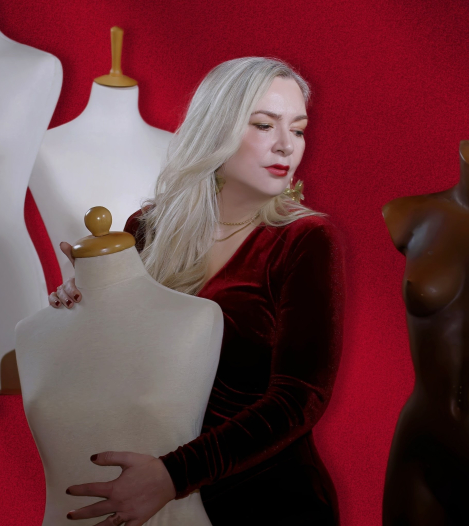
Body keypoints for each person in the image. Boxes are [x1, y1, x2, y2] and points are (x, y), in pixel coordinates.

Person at [49, 56, 345, 526]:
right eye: (264, 125)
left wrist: (171, 476)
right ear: (216, 127)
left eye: (299, 129)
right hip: (153, 501)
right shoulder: (146, 229)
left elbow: (299, 399)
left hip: (267, 502)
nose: (286, 145)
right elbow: (118, 368)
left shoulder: (305, 241)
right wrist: (82, 305)